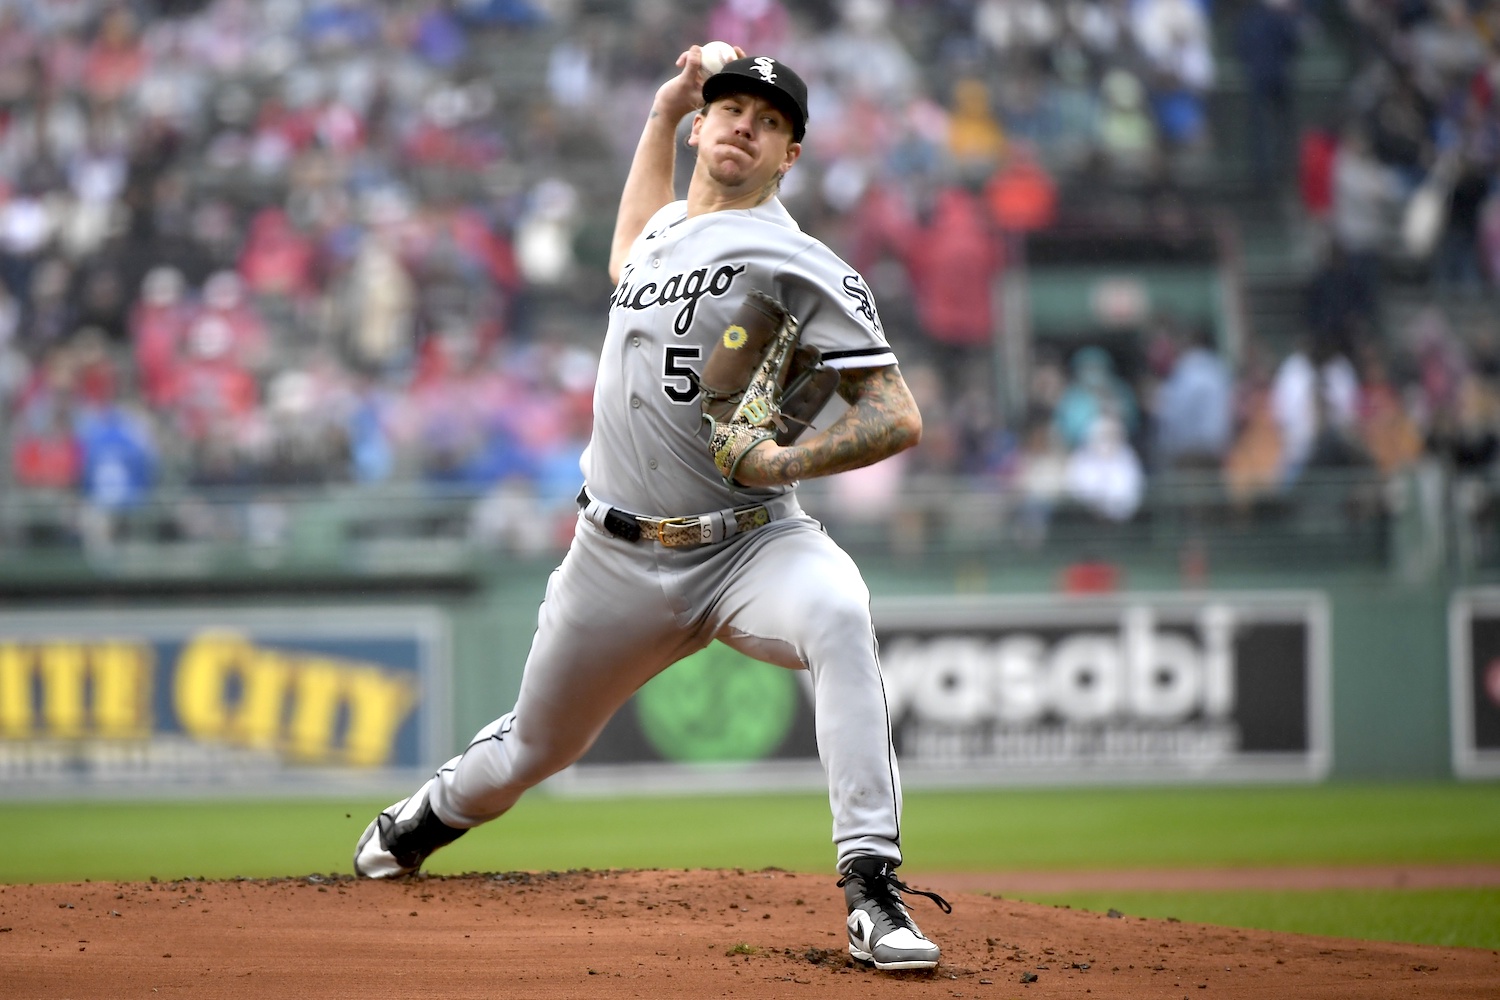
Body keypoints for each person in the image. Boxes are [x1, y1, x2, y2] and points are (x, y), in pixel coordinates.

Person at [352, 45, 951, 972]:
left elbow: (895, 414)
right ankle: (423, 818)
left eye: (769, 119)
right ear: (703, 127)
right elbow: (625, 255)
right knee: (531, 751)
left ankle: (871, 887)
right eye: (729, 109)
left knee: (838, 611)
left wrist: (786, 456)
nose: (744, 123)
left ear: (789, 153)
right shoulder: (667, 230)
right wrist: (662, 112)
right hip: (616, 557)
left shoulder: (796, 260)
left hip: (753, 545)